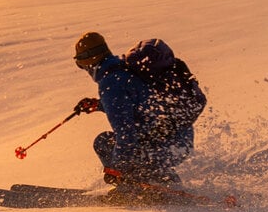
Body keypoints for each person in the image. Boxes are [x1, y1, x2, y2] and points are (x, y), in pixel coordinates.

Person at [71, 30, 203, 185]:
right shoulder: (124, 67)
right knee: (129, 146)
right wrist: (100, 105)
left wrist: (117, 168)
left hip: (164, 148)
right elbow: (139, 104)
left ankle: (132, 189)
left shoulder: (111, 83)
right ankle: (163, 178)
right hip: (179, 142)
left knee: (104, 143)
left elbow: (127, 135)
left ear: (87, 63)